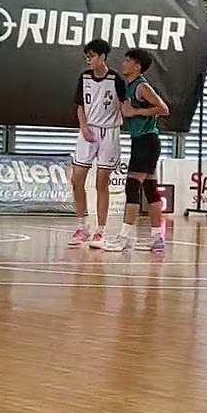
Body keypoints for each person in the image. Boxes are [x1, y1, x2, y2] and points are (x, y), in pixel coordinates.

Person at [101, 48, 167, 253]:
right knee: (150, 189)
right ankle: (157, 239)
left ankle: (124, 237)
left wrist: (135, 111)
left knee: (132, 186)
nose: (123, 63)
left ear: (137, 66)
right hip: (141, 141)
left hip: (147, 141)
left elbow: (164, 109)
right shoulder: (129, 87)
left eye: (128, 61)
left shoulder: (142, 87)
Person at [68, 38, 127, 249]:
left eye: (92, 56)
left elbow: (124, 107)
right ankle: (81, 226)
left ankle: (100, 231)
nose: (88, 60)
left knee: (101, 183)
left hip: (109, 133)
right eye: (87, 56)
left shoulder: (116, 80)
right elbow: (80, 106)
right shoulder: (84, 78)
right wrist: (83, 126)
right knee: (77, 180)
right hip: (88, 131)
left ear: (102, 57)